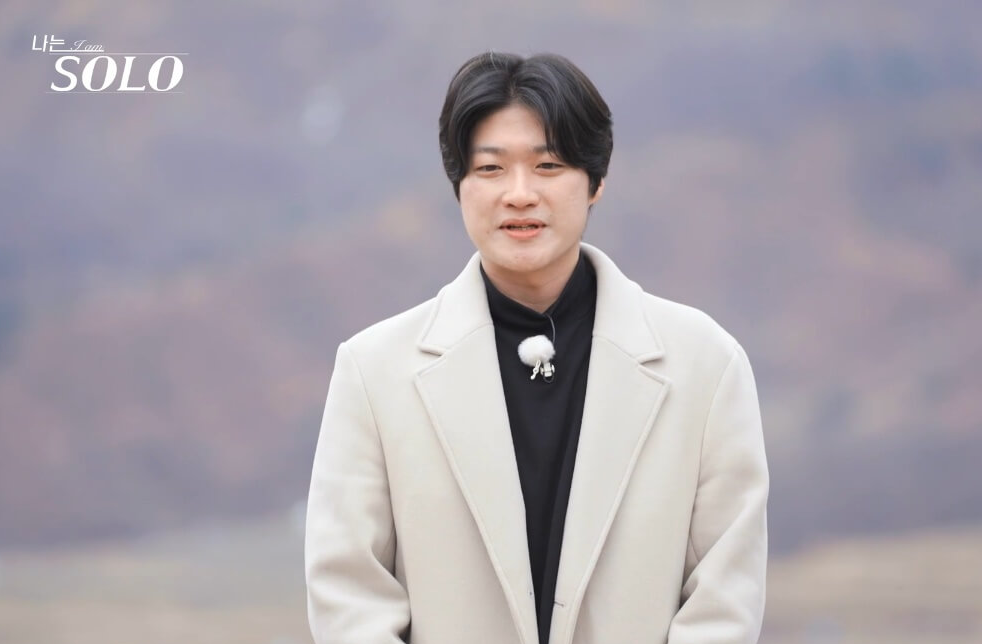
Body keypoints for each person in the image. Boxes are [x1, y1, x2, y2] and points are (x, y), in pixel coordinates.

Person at [305, 51, 769, 644]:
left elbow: (723, 602)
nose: (519, 194)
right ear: (458, 185)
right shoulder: (374, 372)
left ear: (596, 181)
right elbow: (350, 600)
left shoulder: (705, 365)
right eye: (491, 168)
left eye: (548, 165)